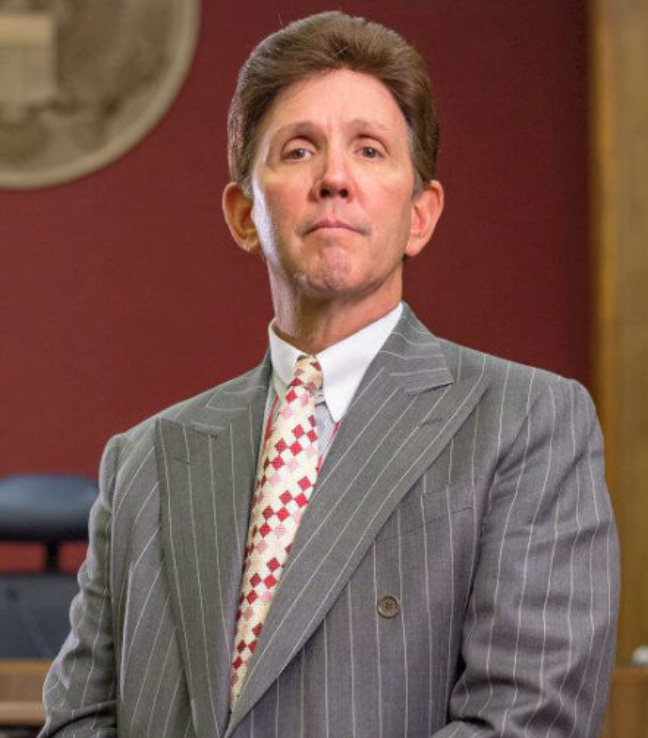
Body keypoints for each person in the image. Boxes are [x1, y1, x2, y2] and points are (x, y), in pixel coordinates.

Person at [40, 11, 619, 738]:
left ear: (420, 214)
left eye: (371, 151)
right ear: (244, 213)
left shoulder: (528, 423)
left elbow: (528, 723)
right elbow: (79, 720)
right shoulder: (143, 462)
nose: (335, 179)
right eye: (299, 149)